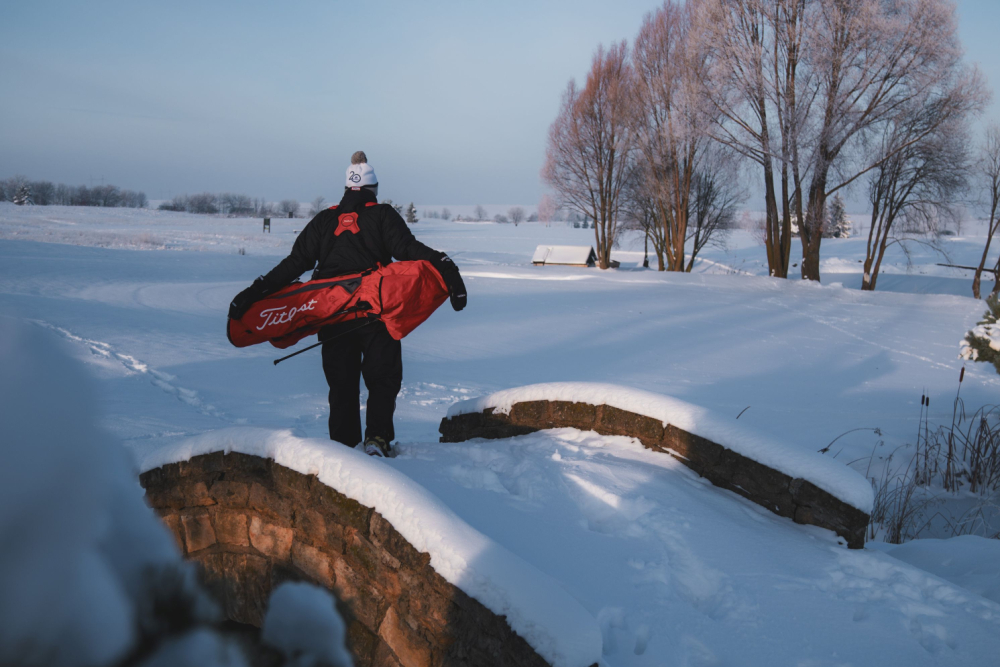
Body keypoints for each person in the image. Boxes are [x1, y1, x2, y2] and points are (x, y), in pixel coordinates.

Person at [228, 152, 466, 456]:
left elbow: (295, 262)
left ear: (346, 189)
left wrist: (255, 291)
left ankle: (343, 451)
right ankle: (377, 440)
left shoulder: (324, 219)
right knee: (382, 380)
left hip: (332, 314)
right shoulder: (382, 214)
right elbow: (408, 250)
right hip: (376, 314)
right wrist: (446, 266)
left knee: (342, 387)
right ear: (373, 188)